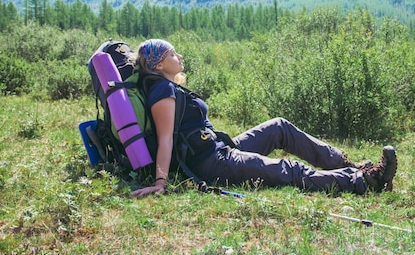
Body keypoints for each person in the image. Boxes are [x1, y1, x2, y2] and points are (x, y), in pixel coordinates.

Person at [130, 39, 397, 198]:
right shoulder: (162, 90)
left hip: (221, 149)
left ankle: (346, 163)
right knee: (288, 170)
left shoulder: (168, 86)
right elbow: (165, 139)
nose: (179, 56)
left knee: (279, 127)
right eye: (172, 54)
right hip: (211, 163)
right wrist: (161, 182)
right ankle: (366, 180)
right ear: (157, 65)